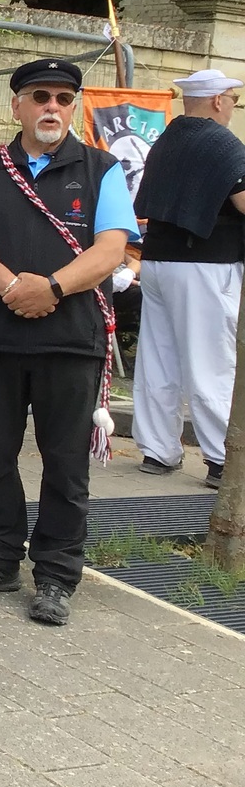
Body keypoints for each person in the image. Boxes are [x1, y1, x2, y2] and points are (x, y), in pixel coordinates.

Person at [0, 58, 137, 626]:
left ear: (73, 107)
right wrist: (14, 289)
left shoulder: (103, 170)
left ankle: (56, 574)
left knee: (66, 465)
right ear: (17, 107)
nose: (51, 107)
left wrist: (50, 288)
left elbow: (111, 249)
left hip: (70, 342)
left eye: (62, 98)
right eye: (39, 97)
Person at [132, 68, 245, 488]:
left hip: (159, 261)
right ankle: (221, 459)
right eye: (233, 99)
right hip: (206, 264)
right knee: (210, 362)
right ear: (217, 100)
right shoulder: (222, 143)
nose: (233, 107)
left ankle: (158, 450)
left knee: (159, 359)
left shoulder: (167, 139)